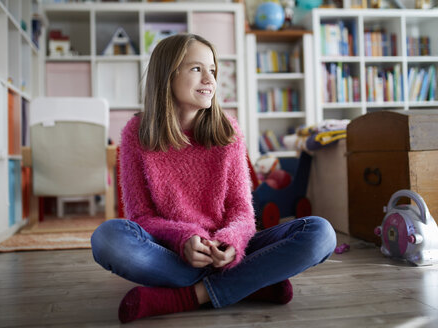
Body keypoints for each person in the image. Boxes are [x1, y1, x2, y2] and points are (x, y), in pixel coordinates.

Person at [90, 33, 336, 324]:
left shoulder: (227, 131)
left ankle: (189, 296)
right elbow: (140, 216)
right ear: (167, 75)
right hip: (172, 253)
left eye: (213, 70)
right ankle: (251, 283)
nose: (210, 79)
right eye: (197, 69)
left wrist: (231, 243)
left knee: (321, 234)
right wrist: (184, 240)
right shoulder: (136, 133)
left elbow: (242, 212)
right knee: (108, 239)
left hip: (228, 251)